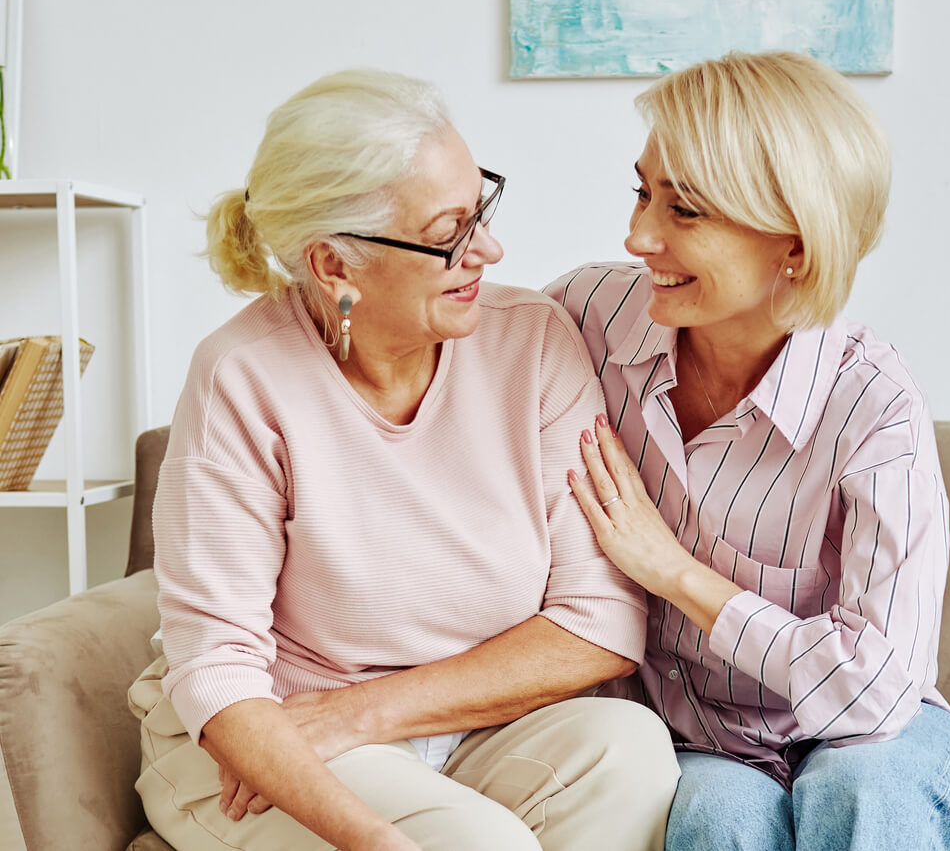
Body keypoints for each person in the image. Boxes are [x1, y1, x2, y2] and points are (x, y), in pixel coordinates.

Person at [128, 69, 680, 851]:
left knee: (629, 752)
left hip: (450, 730)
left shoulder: (533, 342)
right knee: (479, 843)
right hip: (265, 744)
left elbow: (599, 622)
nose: (488, 248)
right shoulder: (242, 377)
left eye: (480, 207)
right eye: (448, 231)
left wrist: (370, 709)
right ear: (334, 265)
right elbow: (217, 672)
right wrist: (372, 839)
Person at [546, 50, 950, 850]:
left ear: (795, 242)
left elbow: (879, 689)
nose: (638, 234)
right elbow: (443, 364)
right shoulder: (588, 315)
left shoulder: (875, 403)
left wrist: (673, 570)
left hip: (867, 736)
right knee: (719, 819)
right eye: (644, 193)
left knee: (864, 788)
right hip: (706, 739)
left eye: (685, 212)